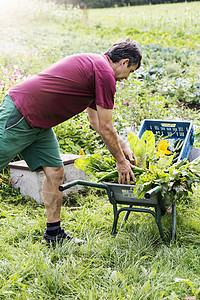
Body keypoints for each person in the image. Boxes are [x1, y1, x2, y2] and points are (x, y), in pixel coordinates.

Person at [0, 38, 142, 246]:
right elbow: (105, 127)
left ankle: (53, 234)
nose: (127, 78)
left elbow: (96, 122)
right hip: (21, 113)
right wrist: (121, 162)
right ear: (124, 62)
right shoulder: (104, 73)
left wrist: (123, 145)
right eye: (131, 71)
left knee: (56, 171)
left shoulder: (96, 68)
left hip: (40, 125)